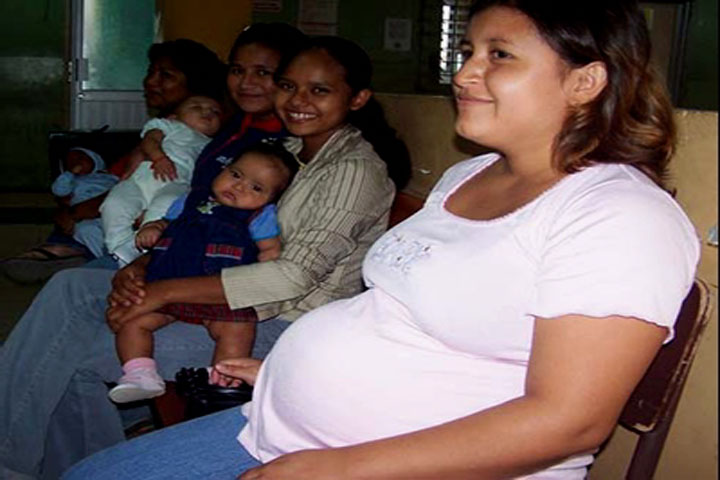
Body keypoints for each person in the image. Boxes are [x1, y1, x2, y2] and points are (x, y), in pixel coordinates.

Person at [63, 2, 700, 479]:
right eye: (468, 50)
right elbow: (404, 314)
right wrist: (285, 371)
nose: (465, 73)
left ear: (585, 81)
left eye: (499, 55)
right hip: (291, 426)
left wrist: (336, 467)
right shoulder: (471, 175)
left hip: (381, 462)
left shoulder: (617, 216)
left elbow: (569, 423)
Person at [0, 27, 409, 480]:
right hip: (213, 280)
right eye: (288, 85)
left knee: (76, 355)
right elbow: (207, 216)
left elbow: (291, 278)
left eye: (319, 90)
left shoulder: (353, 171)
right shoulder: (288, 151)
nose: (298, 100)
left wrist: (162, 291)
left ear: (357, 98)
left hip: (278, 322)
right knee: (71, 286)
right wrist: (144, 266)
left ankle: (37, 466)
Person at [0, 39, 226, 282]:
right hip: (128, 193)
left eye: (166, 75)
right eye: (151, 72)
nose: (150, 82)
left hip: (158, 208)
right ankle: (87, 251)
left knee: (105, 216)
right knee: (108, 205)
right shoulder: (163, 127)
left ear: (196, 84)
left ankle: (78, 252)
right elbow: (125, 176)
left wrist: (77, 211)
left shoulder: (207, 138)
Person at [109, 142, 298, 403]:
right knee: (132, 322)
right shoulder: (190, 199)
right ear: (223, 170)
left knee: (238, 328)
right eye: (236, 174)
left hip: (217, 295)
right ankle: (140, 373)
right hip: (167, 283)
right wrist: (154, 228)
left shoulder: (259, 216)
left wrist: (268, 259)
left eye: (256, 188)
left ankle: (222, 376)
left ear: (271, 199)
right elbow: (168, 224)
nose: (239, 187)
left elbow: (270, 249)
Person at [100, 95, 223, 266]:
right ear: (174, 116)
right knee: (115, 204)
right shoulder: (169, 125)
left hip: (177, 182)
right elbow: (150, 140)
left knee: (167, 203)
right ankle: (119, 248)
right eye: (196, 107)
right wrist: (159, 157)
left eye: (215, 112)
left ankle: (144, 243)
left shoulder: (213, 144)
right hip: (141, 179)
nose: (207, 112)